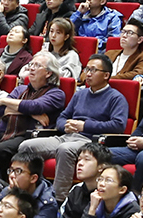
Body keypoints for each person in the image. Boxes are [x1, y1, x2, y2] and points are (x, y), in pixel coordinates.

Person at [21, 55, 129, 203]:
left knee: (65, 149)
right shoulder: (80, 94)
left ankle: (58, 201)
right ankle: (29, 194)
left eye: (93, 70)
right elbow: (62, 117)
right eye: (87, 69)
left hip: (91, 141)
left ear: (106, 75)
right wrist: (65, 125)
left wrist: (84, 126)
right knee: (26, 146)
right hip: (67, 136)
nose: (88, 73)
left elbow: (118, 126)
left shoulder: (116, 98)